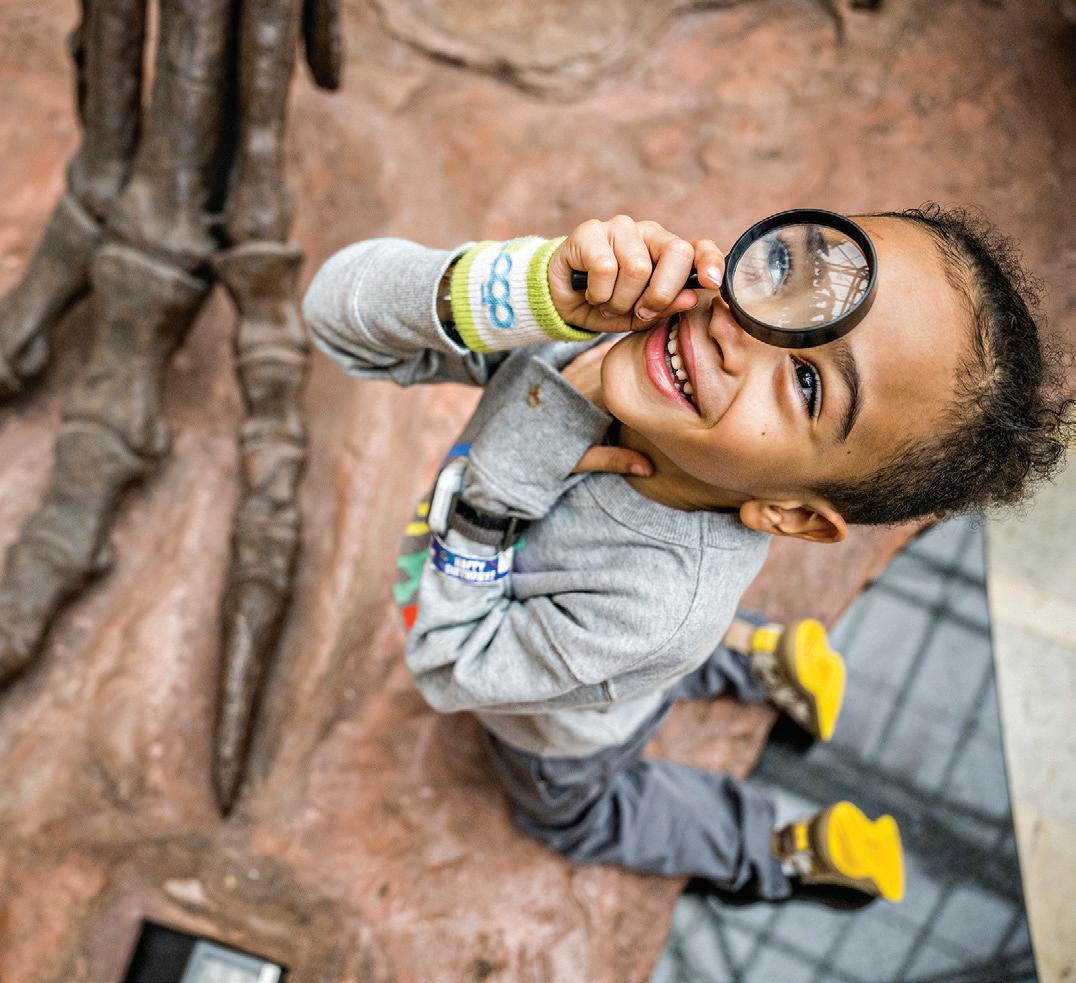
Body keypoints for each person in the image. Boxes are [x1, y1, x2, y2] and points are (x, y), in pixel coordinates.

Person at [301, 205, 1071, 904]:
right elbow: (333, 314)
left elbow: (450, 659)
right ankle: (757, 657)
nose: (740, 331)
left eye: (807, 383)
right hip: (615, 656)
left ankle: (773, 845)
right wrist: (526, 287)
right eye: (792, 274)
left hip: (562, 739)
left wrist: (515, 460)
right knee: (655, 661)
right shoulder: (605, 326)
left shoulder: (657, 605)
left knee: (582, 816)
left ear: (791, 512)